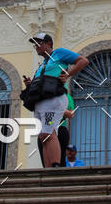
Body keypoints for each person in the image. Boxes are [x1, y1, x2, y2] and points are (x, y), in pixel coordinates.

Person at [23, 33, 88, 169]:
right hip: (41, 101)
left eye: (39, 43)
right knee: (43, 136)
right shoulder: (42, 65)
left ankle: (56, 165)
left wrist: (68, 74)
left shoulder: (59, 53)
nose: (36, 47)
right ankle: (48, 169)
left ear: (48, 43)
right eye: (35, 44)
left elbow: (83, 61)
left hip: (53, 99)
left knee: (49, 132)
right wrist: (31, 83)